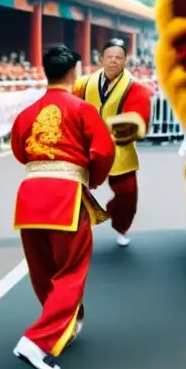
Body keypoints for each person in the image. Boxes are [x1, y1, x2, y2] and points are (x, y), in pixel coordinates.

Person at [10, 45, 115, 369]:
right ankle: (37, 340)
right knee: (70, 271)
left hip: (29, 195)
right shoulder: (82, 109)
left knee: (42, 269)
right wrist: (91, 179)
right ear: (75, 72)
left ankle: (60, 326)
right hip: (66, 195)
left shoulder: (27, 113)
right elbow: (102, 152)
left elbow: (18, 150)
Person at [73, 38, 151, 247]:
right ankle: (74, 229)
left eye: (119, 57)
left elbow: (138, 120)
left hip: (119, 148)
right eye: (110, 57)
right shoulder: (84, 84)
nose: (114, 61)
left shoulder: (134, 88)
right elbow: (71, 109)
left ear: (125, 60)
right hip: (87, 147)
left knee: (126, 193)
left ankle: (121, 225)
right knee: (74, 190)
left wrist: (104, 129)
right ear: (101, 59)